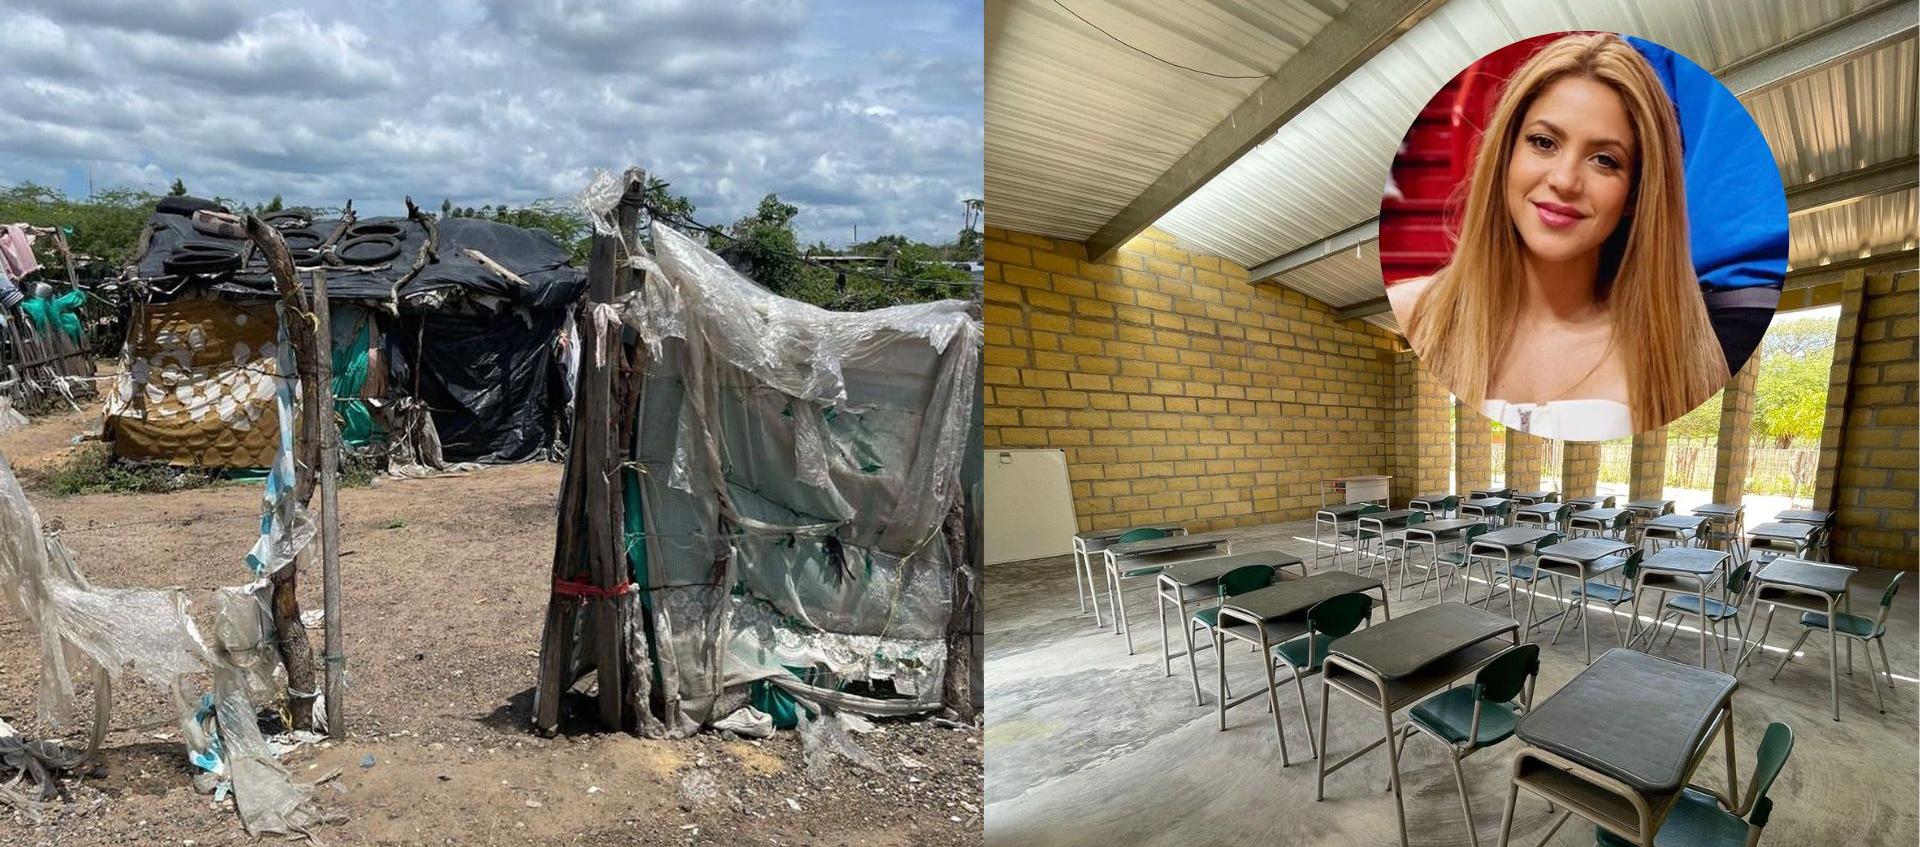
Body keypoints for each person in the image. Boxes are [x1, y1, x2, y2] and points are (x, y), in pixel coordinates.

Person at [1388, 33, 1727, 440]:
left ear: (1637, 193)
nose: (1565, 181)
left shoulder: (1682, 356)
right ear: (1505, 156)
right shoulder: (1413, 314)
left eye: (1605, 160)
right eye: (1543, 142)